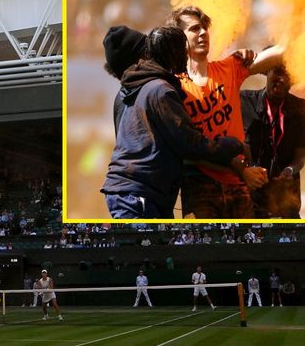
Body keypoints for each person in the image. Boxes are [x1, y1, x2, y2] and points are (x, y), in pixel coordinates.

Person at [101, 26, 248, 219]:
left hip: (136, 193)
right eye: (180, 49)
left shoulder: (124, 95)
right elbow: (190, 144)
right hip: (141, 196)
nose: (185, 55)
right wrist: (235, 145)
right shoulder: (160, 90)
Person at [168, 6, 280, 218]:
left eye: (204, 28)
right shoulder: (173, 86)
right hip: (199, 184)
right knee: (204, 248)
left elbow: (279, 54)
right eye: (194, 29)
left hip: (238, 182)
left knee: (244, 249)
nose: (203, 33)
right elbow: (188, 148)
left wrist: (302, 13)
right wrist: (243, 171)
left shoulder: (230, 67)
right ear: (179, 39)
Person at [239, 63, 305, 219]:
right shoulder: (243, 101)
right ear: (266, 71)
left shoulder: (303, 109)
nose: (281, 79)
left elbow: (300, 158)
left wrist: (289, 170)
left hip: (286, 201)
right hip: (249, 202)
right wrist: (248, 169)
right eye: (278, 72)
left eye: (288, 75)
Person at [102, 25, 148, 134]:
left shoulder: (123, 98)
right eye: (147, 51)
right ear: (139, 61)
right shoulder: (150, 92)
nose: (152, 55)